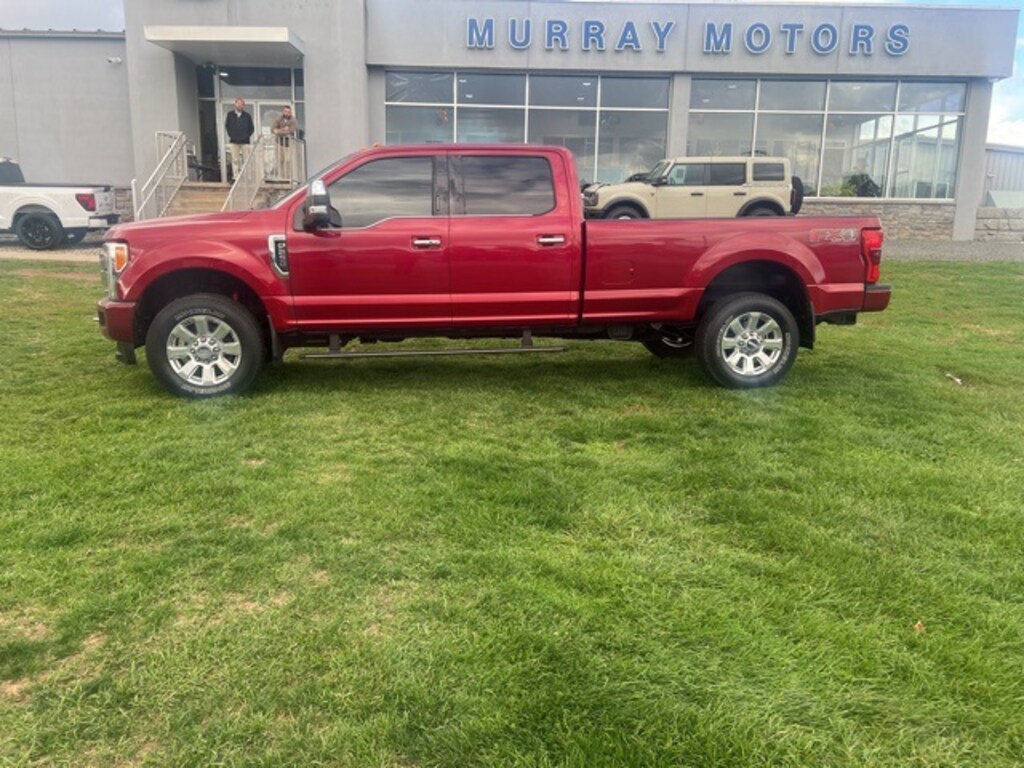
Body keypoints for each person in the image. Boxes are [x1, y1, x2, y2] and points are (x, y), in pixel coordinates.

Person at [224, 98, 255, 181]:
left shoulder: (247, 116)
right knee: (235, 160)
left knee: (246, 160)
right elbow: (227, 126)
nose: (239, 105)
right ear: (235, 104)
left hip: (245, 142)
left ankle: (248, 176)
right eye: (238, 103)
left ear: (243, 105)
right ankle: (236, 176)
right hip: (234, 141)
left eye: (241, 104)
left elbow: (251, 128)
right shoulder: (230, 115)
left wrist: (246, 136)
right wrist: (232, 135)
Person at [271, 105, 298, 182]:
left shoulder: (293, 120)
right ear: (283, 111)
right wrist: (284, 130)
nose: (287, 113)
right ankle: (281, 178)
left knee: (288, 161)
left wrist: (279, 131)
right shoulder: (279, 119)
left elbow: (291, 131)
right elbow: (272, 129)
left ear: (291, 112)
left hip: (288, 144)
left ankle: (287, 178)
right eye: (285, 111)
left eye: (288, 112)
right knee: (280, 161)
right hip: (279, 143)